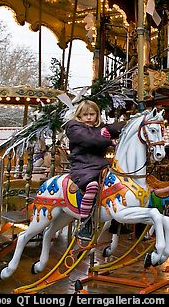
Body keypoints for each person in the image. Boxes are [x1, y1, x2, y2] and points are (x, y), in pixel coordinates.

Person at [64, 100, 124, 241]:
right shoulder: (74, 127)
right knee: (92, 186)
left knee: (117, 184)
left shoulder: (100, 128)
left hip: (100, 165)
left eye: (92, 114)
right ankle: (85, 223)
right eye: (86, 115)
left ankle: (118, 220)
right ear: (79, 116)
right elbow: (90, 140)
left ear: (97, 115)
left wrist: (129, 123)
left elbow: (113, 128)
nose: (89, 117)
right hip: (82, 165)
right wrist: (108, 140)